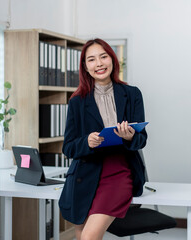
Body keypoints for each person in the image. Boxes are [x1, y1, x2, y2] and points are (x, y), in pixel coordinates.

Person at [58, 38, 147, 240]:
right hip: (85, 175)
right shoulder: (77, 102)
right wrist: (86, 142)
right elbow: (68, 148)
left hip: (118, 173)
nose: (98, 63)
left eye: (103, 56)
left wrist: (130, 136)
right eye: (91, 59)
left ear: (112, 60)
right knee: (82, 237)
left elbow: (142, 140)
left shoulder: (132, 94)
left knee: (88, 237)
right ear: (85, 67)